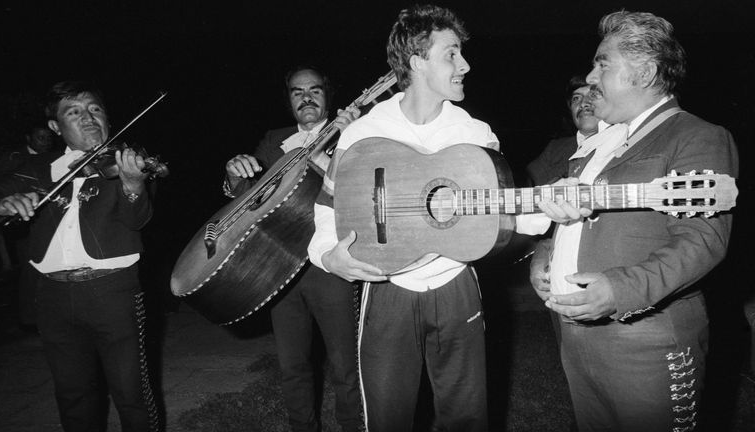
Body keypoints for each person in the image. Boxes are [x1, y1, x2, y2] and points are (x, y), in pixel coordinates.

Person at [307, 5, 549, 431]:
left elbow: (503, 212)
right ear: (418, 62)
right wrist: (328, 256)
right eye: (451, 54)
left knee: (466, 417)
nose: (465, 65)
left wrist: (546, 211)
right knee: (386, 418)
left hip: (455, 285)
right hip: (387, 290)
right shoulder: (362, 133)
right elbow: (328, 207)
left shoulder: (475, 134)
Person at [535, 11, 739, 431]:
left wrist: (620, 290)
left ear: (644, 73)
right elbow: (572, 221)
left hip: (646, 343)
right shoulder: (600, 144)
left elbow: (703, 242)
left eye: (602, 63)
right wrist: (546, 256)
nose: (592, 77)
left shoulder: (695, 136)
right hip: (576, 339)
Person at [0, 81, 160, 432]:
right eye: (74, 112)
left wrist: (132, 185)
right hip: (52, 296)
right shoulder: (35, 168)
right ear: (55, 127)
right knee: (73, 396)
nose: (88, 118)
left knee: (132, 394)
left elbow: (137, 218)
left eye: (95, 109)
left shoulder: (127, 162)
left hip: (113, 293)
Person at [224, 66, 362, 432]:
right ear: (288, 100)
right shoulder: (274, 141)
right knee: (292, 366)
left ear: (327, 96)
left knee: (347, 366)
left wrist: (349, 140)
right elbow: (248, 199)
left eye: (315, 90)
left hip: (331, 266)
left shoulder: (352, 130)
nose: (307, 98)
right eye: (298, 92)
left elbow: (357, 190)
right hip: (280, 268)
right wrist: (234, 176)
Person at [527, 75, 602, 341]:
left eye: (592, 95)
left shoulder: (627, 146)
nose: (584, 103)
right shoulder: (555, 151)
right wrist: (538, 257)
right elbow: (525, 207)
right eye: (576, 99)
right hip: (561, 275)